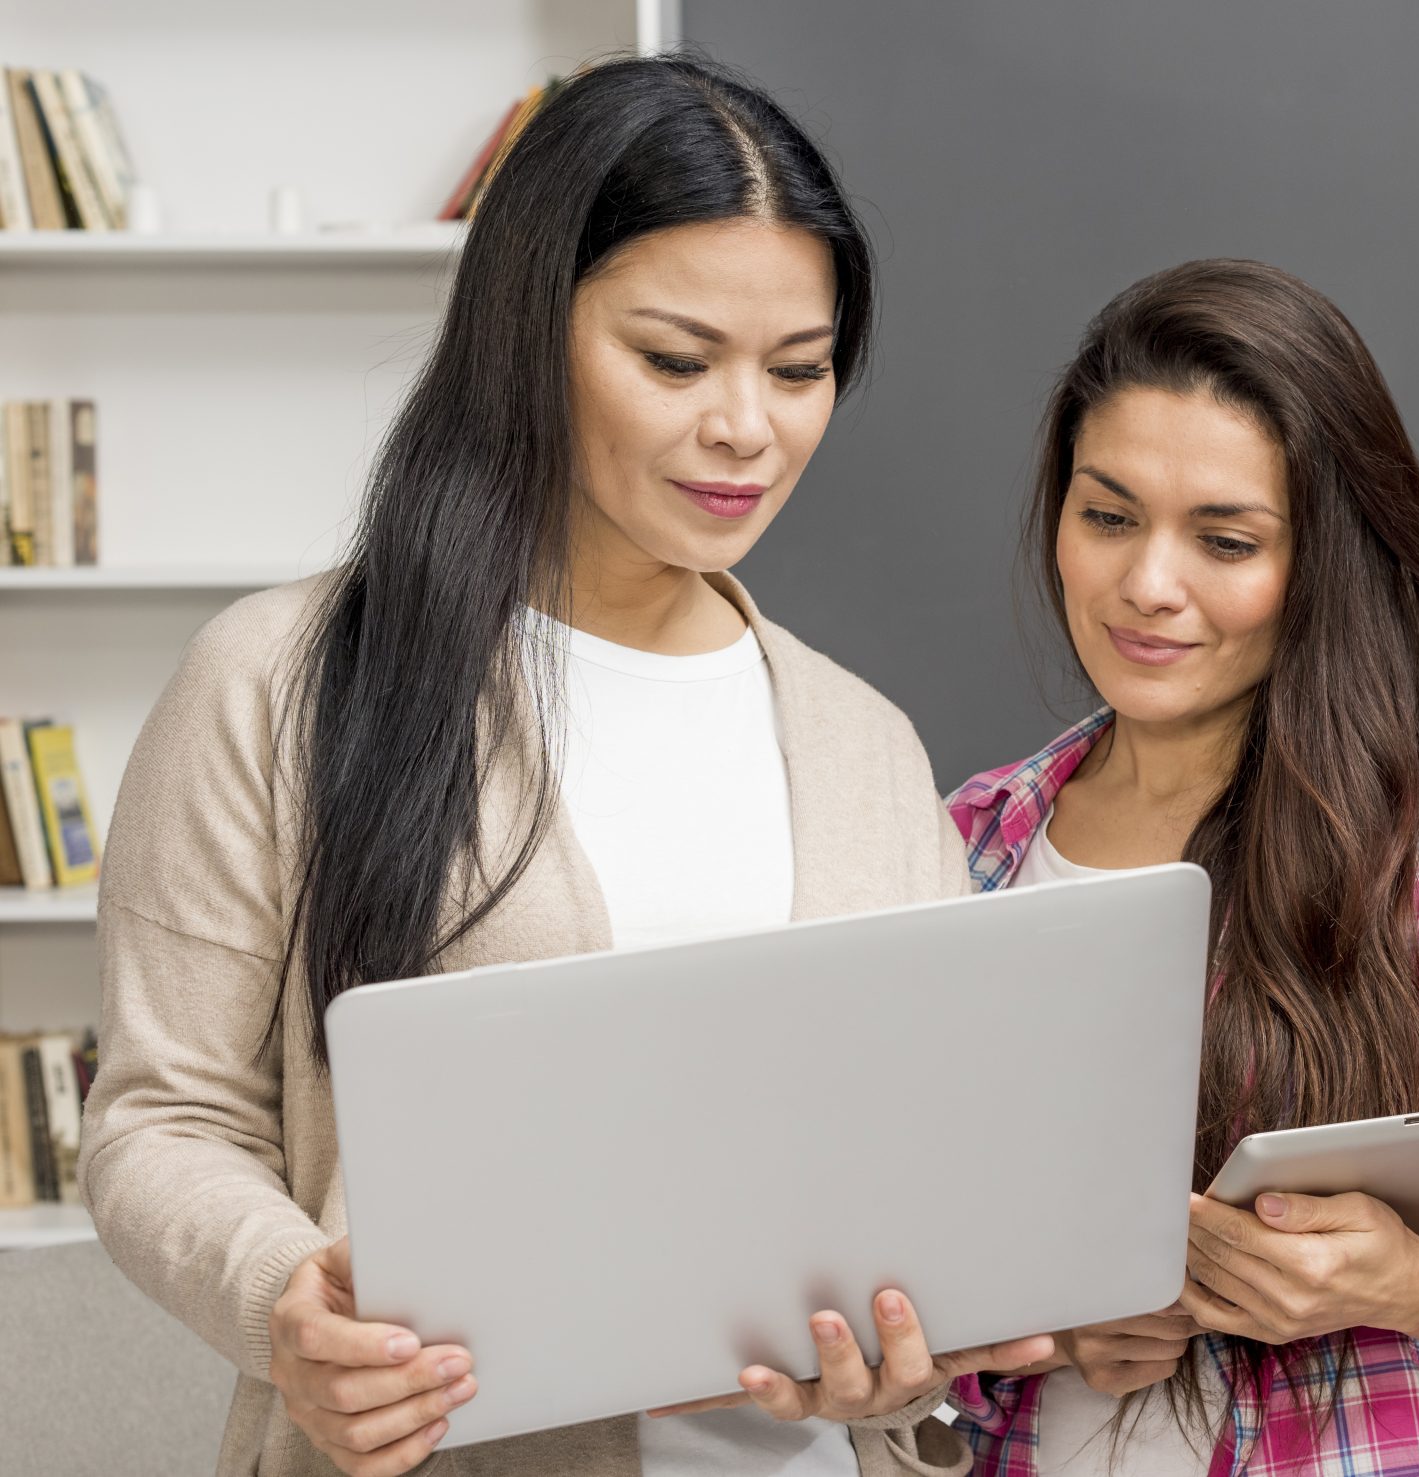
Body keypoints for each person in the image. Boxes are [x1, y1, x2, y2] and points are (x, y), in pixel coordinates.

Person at [78, 55, 1046, 1477]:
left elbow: (911, 1166)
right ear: (530, 333)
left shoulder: (864, 743)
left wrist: (918, 1353)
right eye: (675, 359)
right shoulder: (279, 679)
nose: (747, 428)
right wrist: (286, 1300)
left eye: (800, 368)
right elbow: (163, 1115)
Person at [941, 259, 1419, 1475]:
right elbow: (913, 1270)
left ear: (1322, 564)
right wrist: (1039, 1333)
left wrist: (1415, 1283)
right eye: (1107, 515)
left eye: (1225, 539)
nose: (1147, 585)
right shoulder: (973, 842)